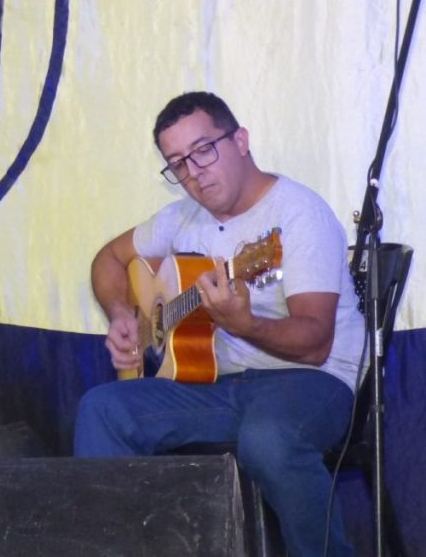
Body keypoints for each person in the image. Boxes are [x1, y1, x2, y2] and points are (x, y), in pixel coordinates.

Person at [74, 92, 363, 556]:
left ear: (241, 140)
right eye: (178, 163)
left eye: (203, 150)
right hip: (219, 386)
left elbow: (315, 344)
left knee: (268, 439)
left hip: (312, 381)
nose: (194, 172)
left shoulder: (298, 214)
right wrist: (122, 314)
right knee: (103, 409)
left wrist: (246, 325)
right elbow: (108, 258)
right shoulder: (182, 219)